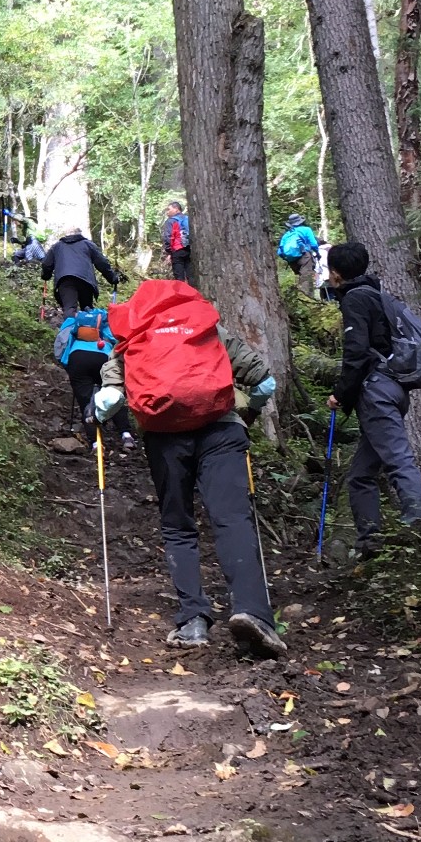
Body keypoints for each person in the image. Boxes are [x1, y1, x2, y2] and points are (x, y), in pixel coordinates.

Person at [94, 278, 285, 658]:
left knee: (178, 525)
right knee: (233, 519)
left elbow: (110, 399)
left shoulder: (136, 332)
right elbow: (265, 382)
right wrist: (248, 410)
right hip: (222, 430)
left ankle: (193, 621)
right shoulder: (206, 325)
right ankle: (254, 614)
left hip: (165, 437)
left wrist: (99, 413)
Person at [326, 239, 421, 559]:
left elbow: (356, 354)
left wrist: (340, 395)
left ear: (335, 274)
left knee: (398, 458)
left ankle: (416, 527)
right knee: (360, 475)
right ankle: (369, 541)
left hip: (376, 393)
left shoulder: (355, 300)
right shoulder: (377, 295)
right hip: (393, 390)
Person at [55, 305, 134, 451]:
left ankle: (96, 443)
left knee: (86, 401)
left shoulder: (73, 320)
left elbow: (61, 345)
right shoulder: (104, 320)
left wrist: (67, 365)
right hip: (103, 357)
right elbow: (116, 339)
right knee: (113, 394)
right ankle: (126, 434)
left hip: (77, 358)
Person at [41, 228, 122, 317]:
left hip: (65, 280)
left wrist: (46, 275)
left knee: (69, 308)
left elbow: (46, 264)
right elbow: (102, 263)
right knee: (87, 308)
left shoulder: (57, 247)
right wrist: (112, 278)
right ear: (80, 234)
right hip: (85, 280)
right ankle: (88, 327)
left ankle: (69, 329)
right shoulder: (88, 245)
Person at [277, 214, 321, 293]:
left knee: (300, 278)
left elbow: (280, 252)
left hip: (292, 261)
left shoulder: (286, 235)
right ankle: (307, 299)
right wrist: (317, 253)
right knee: (306, 279)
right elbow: (314, 244)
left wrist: (289, 257)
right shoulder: (306, 229)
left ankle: (298, 296)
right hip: (304, 257)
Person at [161, 202, 190, 282]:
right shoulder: (188, 219)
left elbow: (168, 237)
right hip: (190, 250)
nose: (167, 212)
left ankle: (181, 293)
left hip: (177, 250)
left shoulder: (171, 221)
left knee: (179, 277)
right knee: (190, 276)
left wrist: (169, 252)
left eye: (169, 209)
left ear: (176, 209)